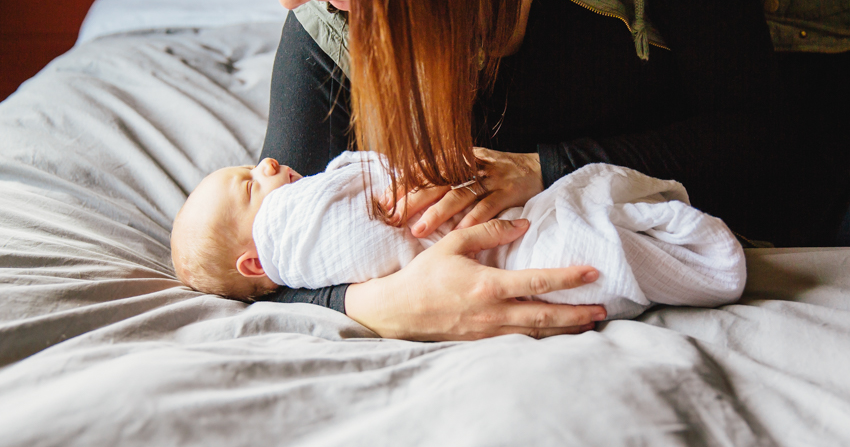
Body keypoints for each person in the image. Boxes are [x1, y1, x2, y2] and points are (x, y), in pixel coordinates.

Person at [198, 0, 850, 341]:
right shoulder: (327, 48)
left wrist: (541, 167)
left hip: (842, 63)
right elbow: (269, 258)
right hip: (817, 196)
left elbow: (768, 135)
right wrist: (381, 305)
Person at [170, 154, 746, 320]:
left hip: (511, 214)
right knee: (573, 245)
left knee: (571, 219)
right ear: (254, 264)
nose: (268, 161)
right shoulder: (287, 230)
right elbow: (368, 225)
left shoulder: (284, 222)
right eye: (249, 182)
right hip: (502, 246)